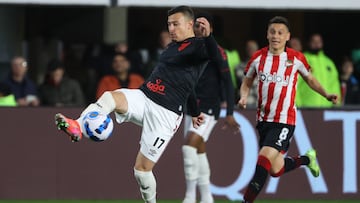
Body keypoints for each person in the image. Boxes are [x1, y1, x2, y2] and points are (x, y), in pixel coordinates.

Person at [54, 5, 221, 203]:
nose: (171, 29)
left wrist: (208, 35)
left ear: (190, 24)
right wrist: (194, 111)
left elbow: (215, 57)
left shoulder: (200, 46)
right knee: (110, 97)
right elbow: (188, 84)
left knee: (141, 172)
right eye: (169, 24)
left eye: (176, 24)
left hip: (165, 114)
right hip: (145, 97)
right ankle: (78, 127)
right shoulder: (172, 47)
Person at [238, 16, 338, 203]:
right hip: (264, 121)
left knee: (263, 160)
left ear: (287, 36)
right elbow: (247, 81)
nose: (276, 36)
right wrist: (243, 96)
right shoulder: (258, 58)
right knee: (276, 170)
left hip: (285, 120)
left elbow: (310, 79)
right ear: (267, 34)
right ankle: (308, 159)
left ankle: (246, 201)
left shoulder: (296, 58)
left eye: (280, 33)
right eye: (273, 32)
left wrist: (326, 94)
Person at [182, 12, 240, 203]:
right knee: (199, 150)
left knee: (189, 147)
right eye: (196, 25)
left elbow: (227, 82)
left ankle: (190, 197)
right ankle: (207, 197)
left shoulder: (218, 51)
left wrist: (230, 112)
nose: (199, 29)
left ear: (211, 29)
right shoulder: (187, 50)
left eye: (203, 25)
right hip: (190, 108)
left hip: (207, 108)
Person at [296, 33, 341, 108]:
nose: (316, 43)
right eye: (314, 41)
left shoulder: (329, 62)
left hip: (327, 108)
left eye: (319, 41)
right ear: (308, 43)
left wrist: (337, 103)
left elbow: (334, 84)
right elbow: (295, 83)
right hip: (306, 108)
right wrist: (298, 105)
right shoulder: (302, 59)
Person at [236, 40, 259, 106]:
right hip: (247, 103)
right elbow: (245, 80)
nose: (251, 51)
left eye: (253, 49)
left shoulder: (264, 66)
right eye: (249, 48)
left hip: (261, 104)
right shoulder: (239, 67)